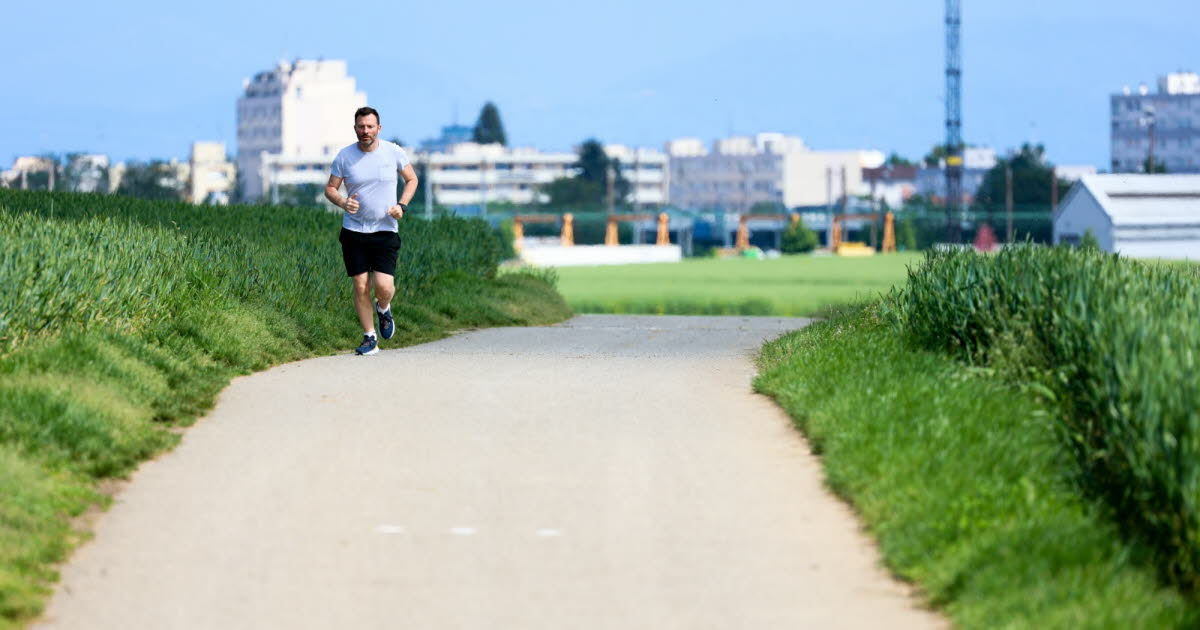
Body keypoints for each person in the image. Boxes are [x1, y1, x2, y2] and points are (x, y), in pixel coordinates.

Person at [324, 106, 418, 355]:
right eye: (361, 126)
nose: (365, 131)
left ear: (378, 128)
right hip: (354, 230)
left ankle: (384, 309)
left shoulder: (393, 152)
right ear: (355, 128)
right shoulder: (344, 156)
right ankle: (369, 337)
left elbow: (412, 179)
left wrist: (402, 205)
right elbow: (331, 188)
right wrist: (343, 202)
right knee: (360, 284)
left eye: (369, 126)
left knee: (384, 287)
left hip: (385, 229)